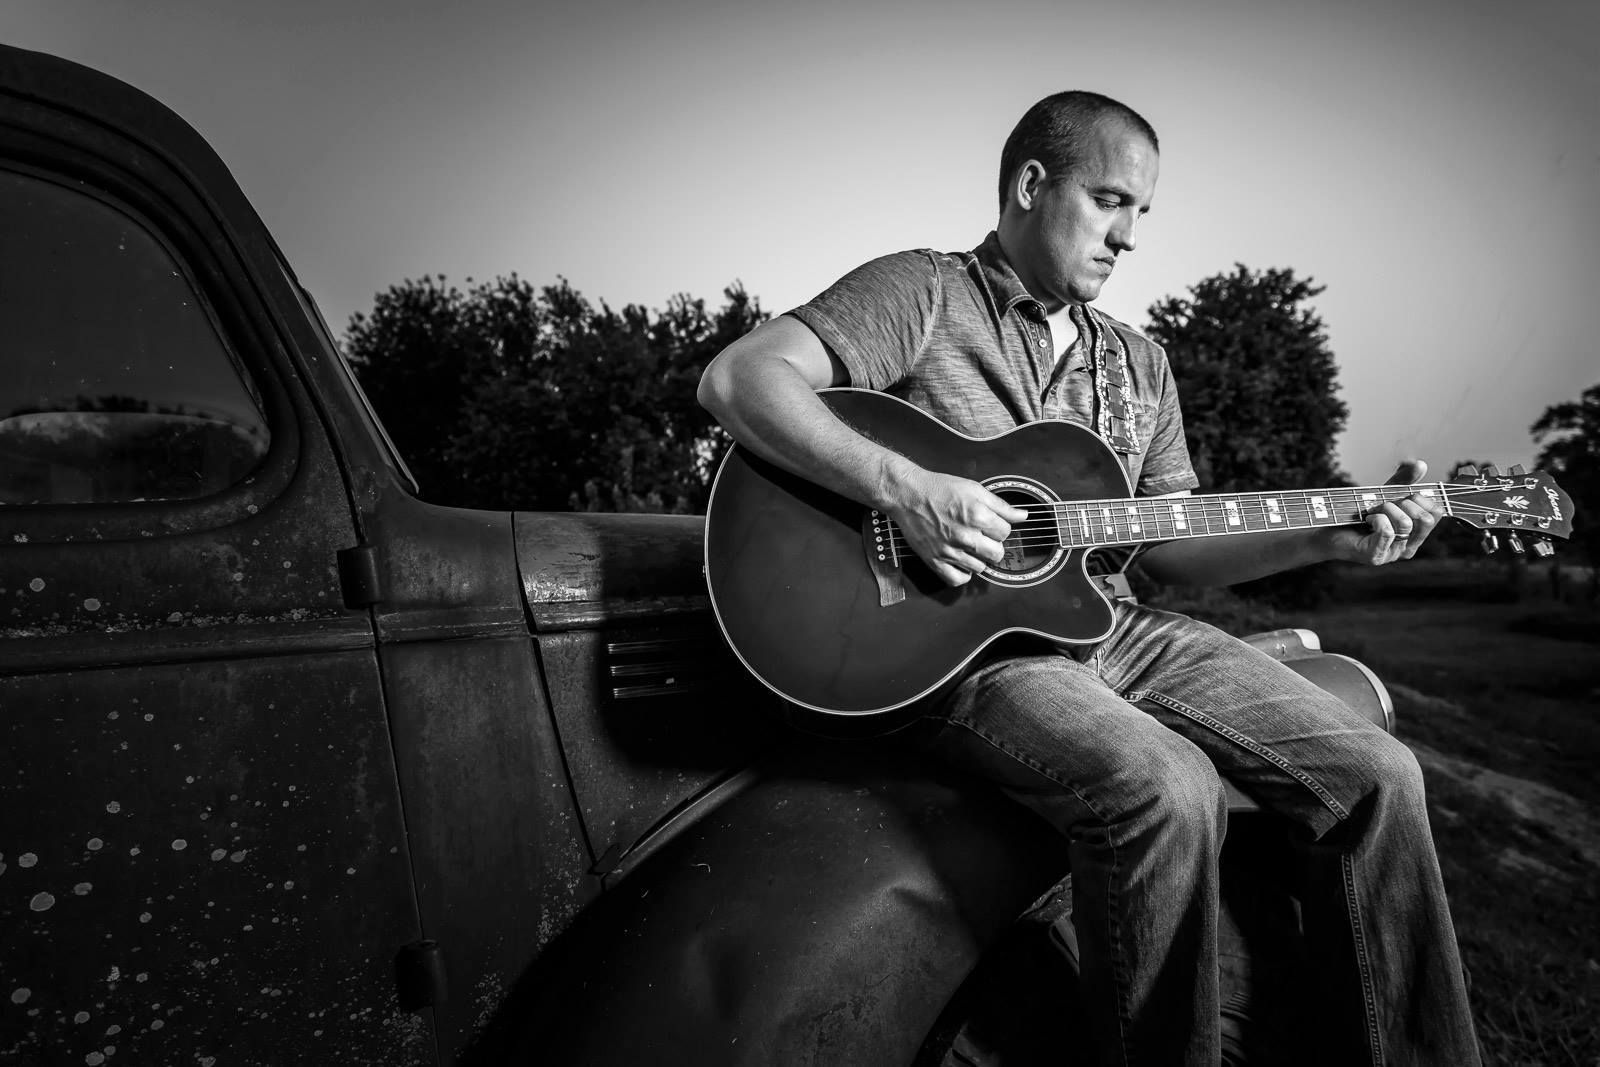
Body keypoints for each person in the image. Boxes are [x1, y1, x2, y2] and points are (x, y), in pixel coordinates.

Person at [697, 91, 1479, 1066]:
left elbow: (1173, 543)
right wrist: (907, 489)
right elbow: (740, 379)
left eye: (1141, 211)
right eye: (1110, 201)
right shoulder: (924, 292)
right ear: (1032, 184)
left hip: (1118, 629)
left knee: (1381, 775)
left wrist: (1332, 538)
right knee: (1167, 787)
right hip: (966, 652)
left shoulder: (1138, 364)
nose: (1129, 236)